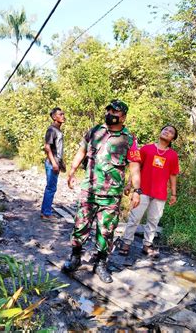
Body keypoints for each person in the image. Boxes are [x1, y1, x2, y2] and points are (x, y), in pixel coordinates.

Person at [63, 100, 141, 283]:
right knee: (80, 225)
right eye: (109, 110)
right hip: (89, 190)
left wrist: (137, 190)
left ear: (123, 116)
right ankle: (75, 258)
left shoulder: (129, 139)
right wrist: (72, 170)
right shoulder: (94, 131)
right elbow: (81, 151)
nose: (110, 113)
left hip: (111, 194)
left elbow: (135, 166)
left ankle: (100, 264)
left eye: (115, 111)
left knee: (106, 230)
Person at [119, 125, 179, 257]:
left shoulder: (173, 155)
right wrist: (129, 184)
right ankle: (126, 243)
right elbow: (136, 167)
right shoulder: (147, 148)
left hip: (160, 194)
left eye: (171, 132)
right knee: (135, 217)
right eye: (165, 129)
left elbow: (173, 175)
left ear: (173, 138)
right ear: (160, 132)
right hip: (142, 191)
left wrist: (174, 194)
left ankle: (147, 245)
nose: (167, 132)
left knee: (153, 220)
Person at [41, 107, 66, 220]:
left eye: (63, 114)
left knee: (52, 187)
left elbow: (58, 149)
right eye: (60, 114)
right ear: (54, 117)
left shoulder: (58, 130)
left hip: (55, 163)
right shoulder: (51, 130)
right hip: (52, 164)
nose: (63, 116)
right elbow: (47, 147)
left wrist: (61, 163)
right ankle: (46, 213)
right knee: (51, 188)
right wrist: (54, 163)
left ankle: (46, 211)